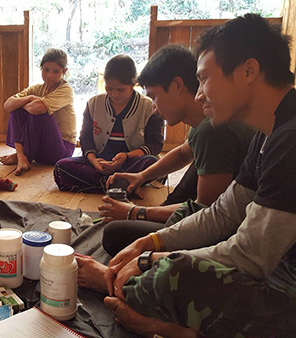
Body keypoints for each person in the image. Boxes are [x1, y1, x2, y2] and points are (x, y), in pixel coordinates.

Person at [77, 14, 296, 337]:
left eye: (205, 79)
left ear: (248, 71)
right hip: (268, 271)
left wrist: (153, 259)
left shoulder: (290, 139)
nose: (199, 94)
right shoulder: (270, 133)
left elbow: (250, 255)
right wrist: (150, 241)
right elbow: (222, 214)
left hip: (284, 291)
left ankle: (172, 326)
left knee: (174, 273)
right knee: (166, 262)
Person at [99, 45, 255, 256]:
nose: (154, 107)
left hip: (224, 233)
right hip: (211, 215)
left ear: (177, 85)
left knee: (114, 234)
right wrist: (141, 175)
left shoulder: (212, 130)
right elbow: (183, 152)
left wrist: (136, 212)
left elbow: (206, 213)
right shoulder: (204, 121)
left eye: (154, 96)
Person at [54, 55, 164, 193]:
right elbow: (86, 138)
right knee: (61, 167)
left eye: (120, 89)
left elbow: (155, 145)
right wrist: (94, 160)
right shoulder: (94, 103)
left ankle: (109, 184)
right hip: (99, 162)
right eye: (109, 88)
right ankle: (119, 185)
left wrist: (126, 156)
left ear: (133, 84)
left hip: (130, 162)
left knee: (152, 163)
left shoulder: (148, 106)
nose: (114, 94)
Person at [1, 48, 77, 176]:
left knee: (40, 111)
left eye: (56, 71)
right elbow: (8, 105)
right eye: (46, 70)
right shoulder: (37, 89)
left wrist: (24, 103)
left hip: (61, 150)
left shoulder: (65, 89)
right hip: (39, 150)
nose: (50, 75)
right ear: (41, 68)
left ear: (64, 72)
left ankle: (25, 154)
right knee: (16, 109)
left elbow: (37, 109)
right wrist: (30, 98)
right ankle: (22, 156)